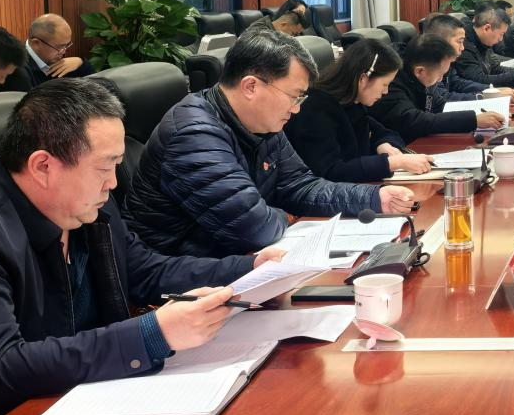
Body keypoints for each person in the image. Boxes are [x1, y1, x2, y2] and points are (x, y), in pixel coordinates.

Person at [0, 80, 289, 415]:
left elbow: (144, 271)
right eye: (104, 168)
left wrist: (250, 270)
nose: (113, 183)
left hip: (91, 395)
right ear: (43, 166)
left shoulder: (83, 206)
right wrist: (153, 334)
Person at [124, 27, 414, 258]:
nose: (297, 109)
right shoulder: (193, 134)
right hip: (181, 281)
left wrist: (375, 198)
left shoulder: (262, 124)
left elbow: (301, 185)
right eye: (294, 96)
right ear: (251, 86)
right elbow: (253, 228)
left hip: (236, 261)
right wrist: (284, 215)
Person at [284, 39, 430, 182]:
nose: (386, 91)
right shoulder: (314, 110)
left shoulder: (353, 102)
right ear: (363, 79)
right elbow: (329, 172)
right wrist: (392, 163)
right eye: (384, 84)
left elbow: (384, 132)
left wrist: (382, 144)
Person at [372, 35, 504, 141]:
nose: (441, 79)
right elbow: (414, 120)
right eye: (440, 74)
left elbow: (439, 106)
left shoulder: (420, 76)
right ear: (420, 71)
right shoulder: (391, 82)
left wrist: (478, 114)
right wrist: (473, 120)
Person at [420, 13, 514, 108]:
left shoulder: (445, 60)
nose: (462, 47)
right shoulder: (426, 62)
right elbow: (443, 99)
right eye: (460, 42)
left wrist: (491, 90)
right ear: (441, 41)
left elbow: (457, 82)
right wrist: (483, 96)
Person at [455, 4, 514, 88]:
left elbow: (494, 69)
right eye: (501, 34)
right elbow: (479, 79)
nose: (501, 39)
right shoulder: (463, 46)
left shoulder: (483, 42)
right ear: (486, 28)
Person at [20, 13, 94, 88]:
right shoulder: (18, 70)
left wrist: (80, 62)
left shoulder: (53, 58)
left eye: (67, 45)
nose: (64, 52)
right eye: (59, 47)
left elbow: (94, 84)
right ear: (36, 43)